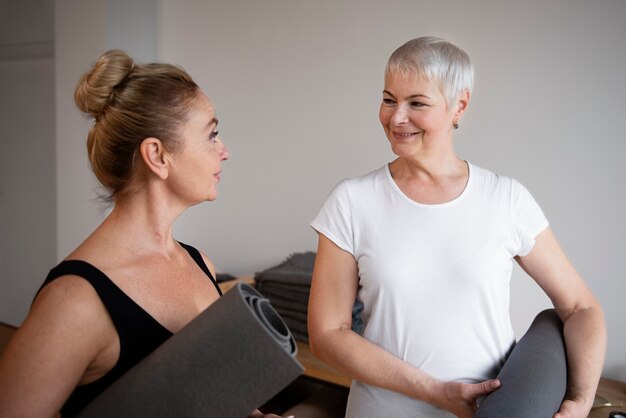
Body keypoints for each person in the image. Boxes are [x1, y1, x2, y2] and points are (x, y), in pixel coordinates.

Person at [307, 36, 606, 418]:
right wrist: (434, 391)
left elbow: (581, 307)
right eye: (388, 99)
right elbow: (327, 334)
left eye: (417, 103)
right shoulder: (351, 201)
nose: (397, 117)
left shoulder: (505, 198)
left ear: (459, 105)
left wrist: (579, 402)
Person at [0, 50, 285, 418]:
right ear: (157, 156)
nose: (224, 151)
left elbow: (204, 398)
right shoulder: (75, 301)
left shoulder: (201, 266)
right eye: (211, 135)